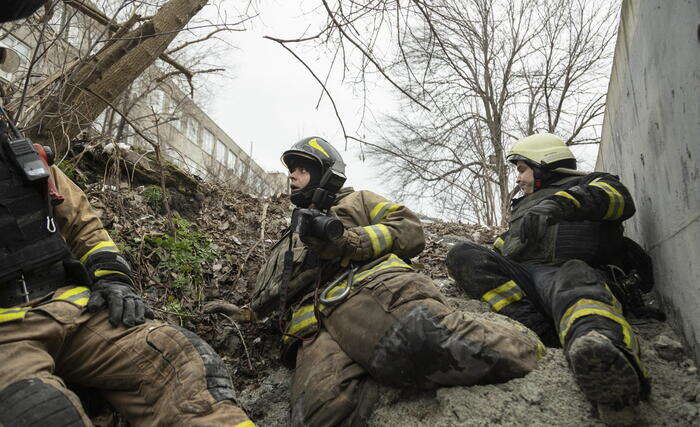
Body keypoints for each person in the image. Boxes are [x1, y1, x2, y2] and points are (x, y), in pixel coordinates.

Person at [0, 5, 253, 425]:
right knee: (41, 414)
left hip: (75, 311)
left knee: (182, 360)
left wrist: (114, 280)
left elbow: (85, 225)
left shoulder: (25, 158)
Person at [211, 136, 543, 426]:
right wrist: (247, 314)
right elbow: (275, 296)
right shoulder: (290, 237)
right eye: (291, 170)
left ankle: (534, 345)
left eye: (301, 169)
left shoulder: (359, 201)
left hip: (367, 294)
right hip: (313, 331)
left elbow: (411, 231)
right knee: (317, 416)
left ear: (327, 173)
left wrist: (349, 241)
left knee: (436, 344)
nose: (292, 176)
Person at [445, 133, 650, 409]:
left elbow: (619, 200)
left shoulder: (592, 182)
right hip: (530, 286)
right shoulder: (522, 210)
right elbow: (502, 249)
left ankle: (604, 350)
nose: (518, 179)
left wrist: (559, 205)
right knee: (462, 253)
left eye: (522, 169)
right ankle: (541, 331)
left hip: (574, 276)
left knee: (575, 275)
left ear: (544, 163)